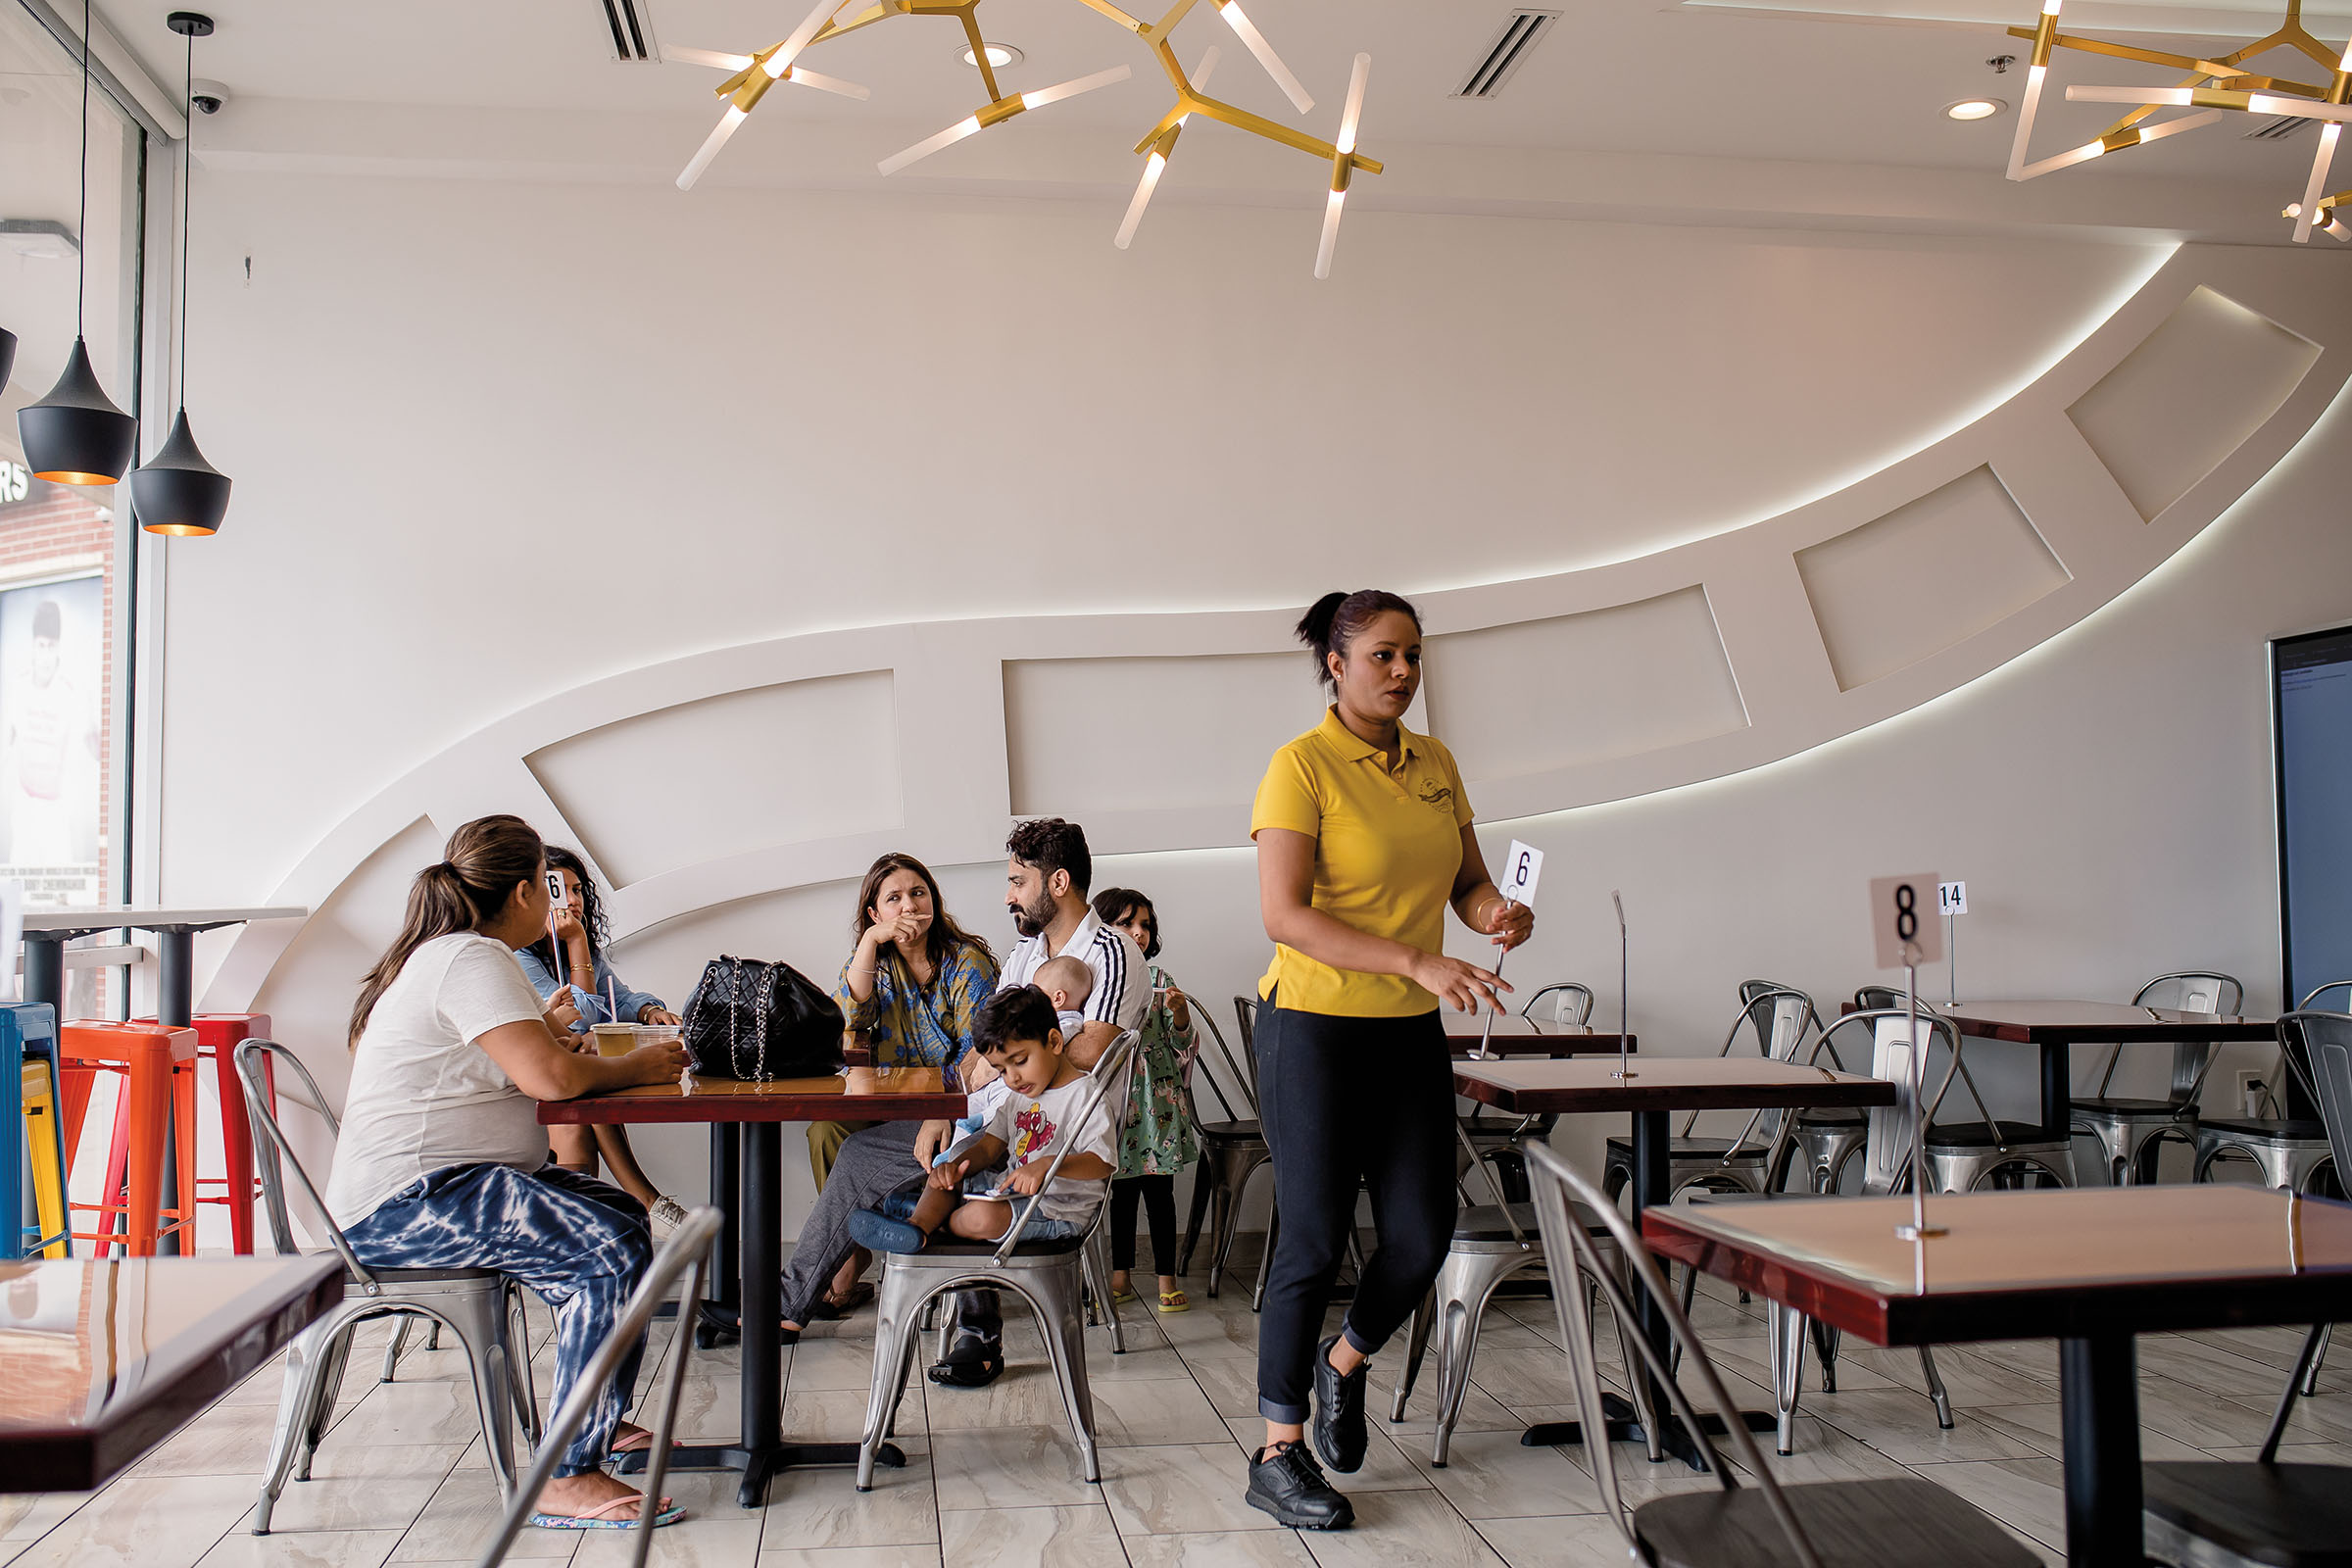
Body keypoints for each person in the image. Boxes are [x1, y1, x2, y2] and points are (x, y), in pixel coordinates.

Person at [1240, 590, 1533, 1531]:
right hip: (1313, 1029)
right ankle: (1277, 1453)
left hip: (1407, 1028)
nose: (1404, 672)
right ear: (1336, 662)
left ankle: (1343, 1365)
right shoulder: (1301, 767)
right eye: (1383, 657)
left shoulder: (1436, 764)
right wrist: (1416, 957)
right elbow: (1285, 915)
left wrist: (1494, 915)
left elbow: (1467, 880)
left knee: (1421, 1234)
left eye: (1414, 656)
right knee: (1314, 1240)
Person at [321, 815, 692, 1530]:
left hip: (449, 1186)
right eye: (545, 891)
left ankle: (599, 1423)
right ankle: (563, 1475)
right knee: (601, 1249)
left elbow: (536, 1052)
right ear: (525, 891)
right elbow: (551, 1078)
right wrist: (640, 1064)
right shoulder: (470, 958)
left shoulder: (458, 954)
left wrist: (558, 1030)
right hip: (402, 1207)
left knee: (619, 1219)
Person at [914, 816, 1148, 1389]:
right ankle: (816, 1286)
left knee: (896, 1170)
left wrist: (1005, 1064)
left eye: (1019, 881)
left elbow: (1086, 1053)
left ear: (1059, 882)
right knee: (901, 1156)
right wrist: (951, 1105)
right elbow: (981, 1051)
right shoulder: (1024, 956)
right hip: (996, 1122)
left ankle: (971, 1326)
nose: (1008, 895)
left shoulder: (1111, 953)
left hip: (1053, 1134)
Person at [768, 853, 997, 1334]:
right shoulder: (877, 962)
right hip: (888, 1104)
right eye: (893, 898)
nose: (909, 905)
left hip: (951, 1110)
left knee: (854, 1151)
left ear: (933, 900)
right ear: (875, 912)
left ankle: (830, 1276)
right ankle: (850, 1253)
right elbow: (846, 1023)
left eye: (918, 893)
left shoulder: (964, 961)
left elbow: (982, 1051)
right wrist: (871, 943)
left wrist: (943, 1104)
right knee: (826, 1130)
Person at [848, 986, 1115, 1252]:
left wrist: (1048, 1165)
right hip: (1010, 1193)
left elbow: (1102, 1162)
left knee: (981, 1217)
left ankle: (931, 1222)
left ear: (1055, 1042)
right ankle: (917, 1225)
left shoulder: (1086, 1095)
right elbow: (989, 1148)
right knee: (942, 1178)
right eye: (1001, 1070)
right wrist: (955, 1167)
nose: (1012, 1078)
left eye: (1020, 1061)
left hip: (1057, 1211)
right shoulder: (1019, 1097)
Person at [514, 846, 688, 1235]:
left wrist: (647, 1011)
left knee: (584, 1106)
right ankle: (643, 1199)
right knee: (581, 1105)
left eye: (578, 890)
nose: (573, 901)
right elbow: (580, 1019)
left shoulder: (578, 947)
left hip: (560, 1079)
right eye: (561, 890)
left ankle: (633, 1207)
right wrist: (576, 944)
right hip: (528, 1084)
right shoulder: (521, 956)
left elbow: (617, 998)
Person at [1092, 887, 1200, 1314]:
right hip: (1117, 1103)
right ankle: (1119, 1273)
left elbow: (1181, 1046)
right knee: (1121, 1191)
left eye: (1145, 925)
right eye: (1126, 923)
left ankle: (1165, 1278)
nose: (1138, 933)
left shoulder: (1161, 981)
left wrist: (1179, 1014)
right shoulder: (1097, 979)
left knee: (1160, 1194)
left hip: (1157, 1104)